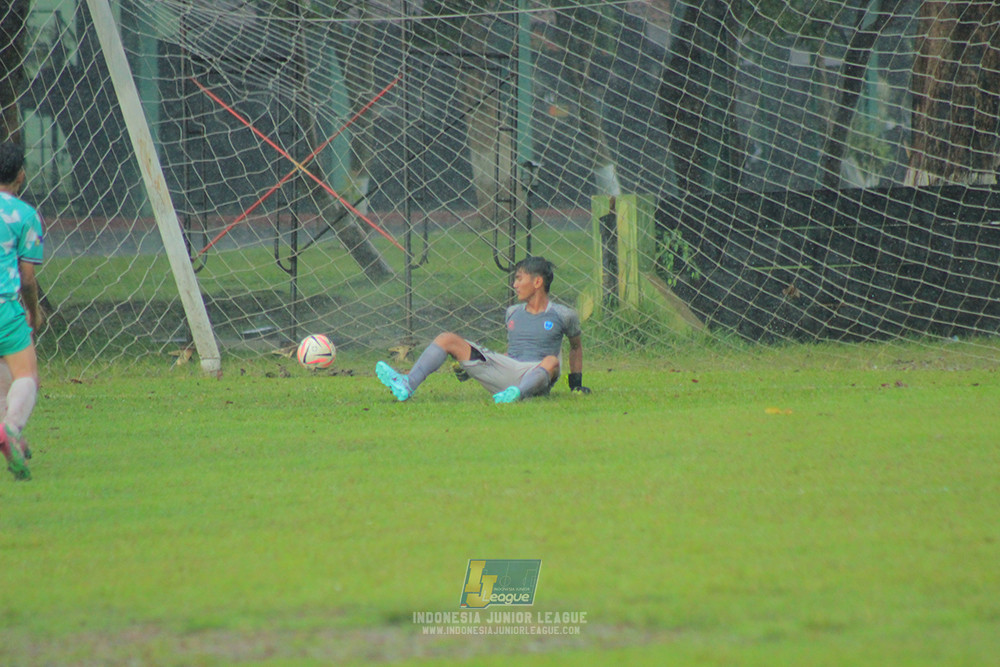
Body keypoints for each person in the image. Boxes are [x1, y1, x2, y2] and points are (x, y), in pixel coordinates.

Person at [375, 256, 591, 404]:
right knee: (446, 339)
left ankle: (518, 394)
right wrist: (472, 369)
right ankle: (407, 384)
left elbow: (576, 348)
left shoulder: (564, 315)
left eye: (519, 278)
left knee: (552, 360)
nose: (514, 284)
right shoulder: (512, 313)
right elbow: (513, 354)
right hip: (508, 372)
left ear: (537, 282)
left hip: (537, 378)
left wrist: (576, 385)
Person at [0, 142, 44, 481]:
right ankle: (11, 429)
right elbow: (27, 279)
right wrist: (34, 312)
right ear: (21, 175)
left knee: (4, 379)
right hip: (5, 307)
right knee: (26, 375)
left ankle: (7, 432)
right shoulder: (25, 215)